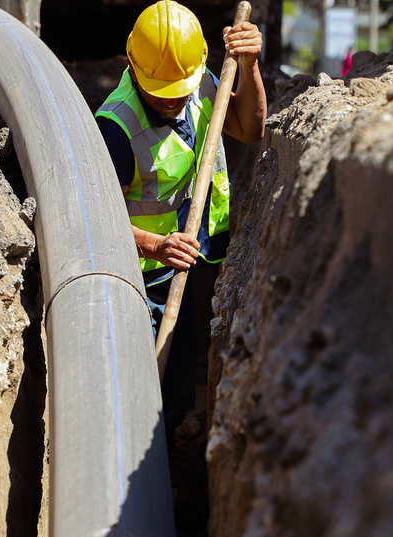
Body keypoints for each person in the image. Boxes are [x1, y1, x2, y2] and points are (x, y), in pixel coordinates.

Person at [95, 0, 266, 440]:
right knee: (132, 393)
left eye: (180, 91)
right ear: (134, 70)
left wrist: (247, 67)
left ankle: (163, 465)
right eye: (160, 92)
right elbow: (97, 219)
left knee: (174, 392)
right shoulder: (117, 128)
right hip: (133, 278)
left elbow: (250, 129)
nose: (172, 100)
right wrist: (154, 245)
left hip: (182, 268)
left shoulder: (201, 84)